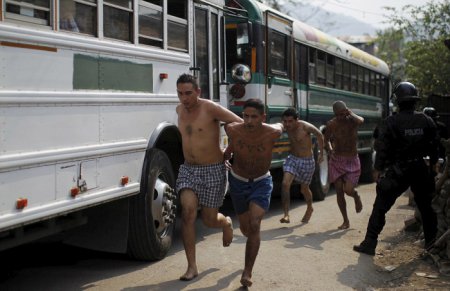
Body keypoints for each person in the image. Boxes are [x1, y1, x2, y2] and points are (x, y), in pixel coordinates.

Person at [354, 81, 439, 256]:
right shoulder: (426, 120)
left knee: (381, 207)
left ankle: (370, 243)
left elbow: (382, 148)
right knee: (426, 208)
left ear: (398, 102)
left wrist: (377, 170)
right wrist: (432, 166)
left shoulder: (390, 122)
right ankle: (431, 245)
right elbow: (435, 146)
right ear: (415, 101)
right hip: (419, 168)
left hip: (398, 170)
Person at [175, 73, 242, 281]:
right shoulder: (179, 110)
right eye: (179, 93)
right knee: (187, 213)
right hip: (188, 170)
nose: (184, 98)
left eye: (188, 93)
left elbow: (238, 123)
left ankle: (226, 223)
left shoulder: (210, 107)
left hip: (212, 169)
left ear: (198, 92)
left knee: (209, 220)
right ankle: (192, 267)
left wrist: (229, 148)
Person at [224, 98, 283, 287]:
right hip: (238, 181)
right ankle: (231, 227)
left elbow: (284, 124)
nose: (249, 121)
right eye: (245, 116)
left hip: (261, 182)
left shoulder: (273, 132)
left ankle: (247, 271)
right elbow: (232, 142)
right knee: (245, 228)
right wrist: (226, 155)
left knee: (255, 224)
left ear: (263, 117)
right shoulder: (233, 129)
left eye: (254, 117)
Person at [279, 108, 324, 224]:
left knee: (304, 189)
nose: (287, 124)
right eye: (285, 121)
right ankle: (286, 215)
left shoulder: (305, 126)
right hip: (292, 159)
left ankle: (310, 207)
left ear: (296, 120)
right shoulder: (284, 126)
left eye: (290, 121)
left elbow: (319, 135)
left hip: (307, 161)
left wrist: (321, 154)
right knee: (285, 184)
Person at [324, 100, 364, 229]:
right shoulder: (331, 124)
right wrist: (330, 149)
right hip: (337, 160)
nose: (341, 117)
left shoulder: (352, 121)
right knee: (339, 191)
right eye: (338, 115)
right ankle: (345, 221)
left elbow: (361, 121)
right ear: (335, 114)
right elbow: (326, 140)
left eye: (343, 113)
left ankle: (356, 196)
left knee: (348, 190)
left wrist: (351, 113)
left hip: (352, 159)